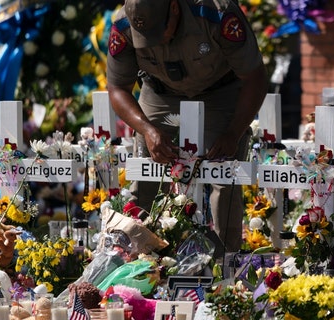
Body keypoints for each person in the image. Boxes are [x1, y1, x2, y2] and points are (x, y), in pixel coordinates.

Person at [106, 0, 268, 252]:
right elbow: (117, 88)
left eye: (160, 32)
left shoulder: (216, 13)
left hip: (220, 90)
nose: (156, 42)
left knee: (223, 175)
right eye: (145, 38)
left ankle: (225, 263)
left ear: (173, 7)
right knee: (145, 174)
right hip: (159, 92)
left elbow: (255, 76)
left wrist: (233, 132)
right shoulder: (123, 24)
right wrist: (147, 129)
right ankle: (135, 260)